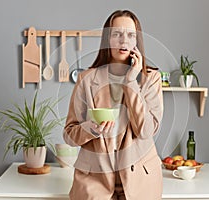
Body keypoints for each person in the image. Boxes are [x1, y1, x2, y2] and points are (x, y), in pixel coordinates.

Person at [64, 10, 163, 200]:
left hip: (141, 182)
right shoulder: (86, 79)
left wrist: (131, 80)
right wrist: (90, 129)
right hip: (94, 182)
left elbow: (145, 131)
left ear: (137, 41)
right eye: (116, 34)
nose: (123, 41)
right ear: (107, 39)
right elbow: (69, 134)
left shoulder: (151, 79)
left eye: (130, 35)